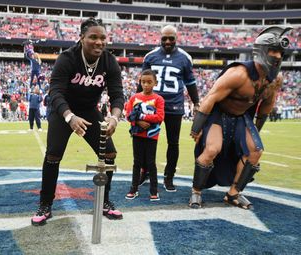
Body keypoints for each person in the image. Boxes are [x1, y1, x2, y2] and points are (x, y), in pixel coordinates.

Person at [31, 18, 124, 225]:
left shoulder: (109, 61)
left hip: (89, 111)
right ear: (82, 38)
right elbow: (55, 92)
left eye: (102, 38)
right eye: (93, 37)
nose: (99, 42)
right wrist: (69, 117)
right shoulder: (67, 58)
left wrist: (115, 118)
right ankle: (45, 204)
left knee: (109, 153)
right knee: (53, 155)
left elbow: (118, 94)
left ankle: (104, 201)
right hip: (62, 111)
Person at [188, 26, 292, 209]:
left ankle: (233, 193)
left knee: (255, 151)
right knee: (212, 149)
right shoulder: (238, 74)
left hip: (242, 117)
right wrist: (196, 128)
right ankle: (196, 191)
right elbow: (210, 98)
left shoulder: (276, 80)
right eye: (272, 50)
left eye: (280, 52)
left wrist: (255, 132)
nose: (277, 56)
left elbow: (266, 106)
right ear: (261, 51)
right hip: (218, 114)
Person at [138, 25, 200, 192]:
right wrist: (137, 103)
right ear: (160, 38)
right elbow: (142, 81)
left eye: (171, 38)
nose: (167, 41)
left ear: (176, 38)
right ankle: (145, 171)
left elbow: (191, 83)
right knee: (146, 141)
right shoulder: (150, 56)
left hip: (174, 106)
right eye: (164, 38)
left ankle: (169, 176)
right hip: (151, 106)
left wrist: (196, 103)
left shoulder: (184, 58)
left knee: (173, 143)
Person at [125, 69, 165, 201]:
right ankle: (133, 189)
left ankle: (154, 191)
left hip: (151, 136)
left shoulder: (158, 99)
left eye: (149, 82)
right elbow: (128, 115)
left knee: (150, 163)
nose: (146, 85)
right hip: (137, 135)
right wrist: (139, 121)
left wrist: (142, 117)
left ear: (155, 83)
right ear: (140, 82)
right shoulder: (134, 97)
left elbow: (159, 117)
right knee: (137, 162)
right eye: (143, 82)